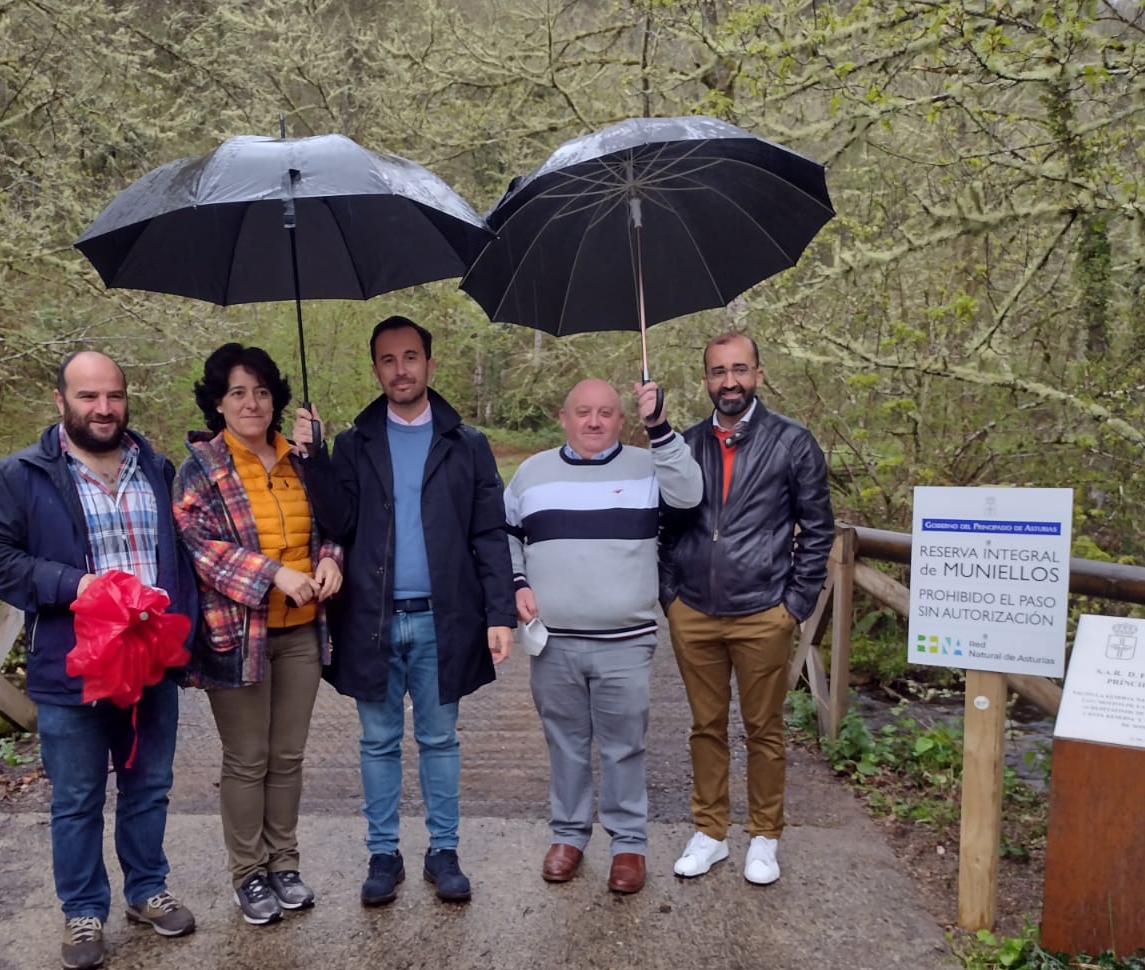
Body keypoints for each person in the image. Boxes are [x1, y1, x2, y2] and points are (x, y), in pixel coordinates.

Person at [0, 350, 199, 970]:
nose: (103, 408)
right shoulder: (21, 475)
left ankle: (147, 889)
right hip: (73, 666)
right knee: (76, 796)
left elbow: (182, 557)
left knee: (149, 786)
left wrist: (189, 637)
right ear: (60, 401)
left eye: (114, 396)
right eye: (89, 397)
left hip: (150, 663)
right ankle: (83, 910)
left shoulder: (156, 466)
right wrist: (74, 586)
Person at [293, 315, 516, 907]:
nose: (401, 370)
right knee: (378, 740)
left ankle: (444, 851)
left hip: (445, 619)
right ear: (376, 369)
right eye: (388, 360)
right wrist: (313, 459)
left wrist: (499, 613)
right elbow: (337, 522)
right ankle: (383, 854)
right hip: (373, 618)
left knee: (440, 740)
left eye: (411, 357)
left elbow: (490, 533)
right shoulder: (354, 444)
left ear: (429, 365)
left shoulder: (465, 444)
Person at [505, 377, 702, 894]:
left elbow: (690, 493)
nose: (595, 421)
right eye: (584, 412)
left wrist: (660, 428)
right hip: (554, 641)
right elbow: (505, 539)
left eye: (607, 413)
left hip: (626, 641)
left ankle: (629, 845)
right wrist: (517, 582)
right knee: (565, 743)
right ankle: (568, 836)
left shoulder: (648, 465)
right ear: (563, 417)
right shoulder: (531, 474)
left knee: (624, 746)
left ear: (622, 419)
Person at [173, 343, 343, 926]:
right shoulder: (201, 468)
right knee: (248, 758)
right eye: (239, 392)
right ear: (218, 402)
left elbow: (331, 522)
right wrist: (273, 572)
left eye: (263, 391)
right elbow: (199, 548)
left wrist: (330, 558)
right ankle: (249, 874)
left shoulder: (299, 458)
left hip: (300, 633)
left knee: (287, 756)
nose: (253, 403)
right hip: (237, 635)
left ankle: (284, 864)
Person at [659, 332, 834, 886]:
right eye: (717, 371)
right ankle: (710, 833)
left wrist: (795, 603)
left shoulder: (792, 442)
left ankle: (764, 835)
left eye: (739, 369)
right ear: (705, 378)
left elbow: (819, 528)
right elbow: (664, 529)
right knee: (705, 727)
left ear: (758, 373)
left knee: (764, 729)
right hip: (696, 611)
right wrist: (672, 597)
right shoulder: (683, 445)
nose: (728, 381)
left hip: (764, 610)